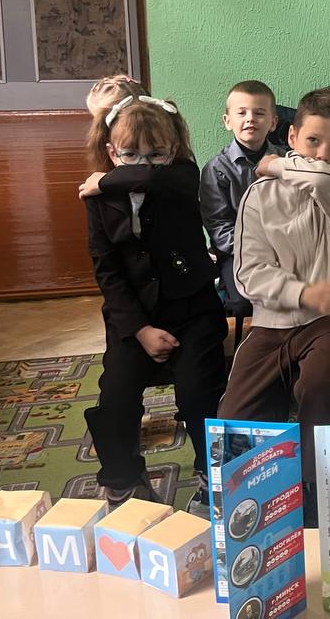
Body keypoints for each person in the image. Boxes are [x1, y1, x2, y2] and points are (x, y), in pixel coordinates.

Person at [216, 89, 330, 518]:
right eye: (313, 141)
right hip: (274, 319)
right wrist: (301, 292)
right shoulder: (259, 196)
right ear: (292, 136)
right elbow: (249, 274)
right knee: (236, 410)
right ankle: (253, 499)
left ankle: (321, 490)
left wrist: (275, 163)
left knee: (316, 387)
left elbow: (319, 178)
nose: (323, 154)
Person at [79, 94, 226, 513]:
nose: (144, 163)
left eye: (156, 154)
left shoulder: (180, 178)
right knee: (115, 396)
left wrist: (108, 179)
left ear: (173, 151)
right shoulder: (98, 200)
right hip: (134, 318)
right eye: (130, 155)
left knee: (199, 392)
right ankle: (124, 480)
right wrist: (141, 330)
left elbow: (161, 178)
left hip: (192, 311)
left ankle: (212, 473)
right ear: (112, 152)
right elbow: (107, 270)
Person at [200, 80, 284, 318]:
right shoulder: (217, 169)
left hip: (284, 248)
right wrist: (256, 252)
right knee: (243, 304)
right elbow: (218, 225)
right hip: (237, 253)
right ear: (227, 121)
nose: (250, 119)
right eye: (242, 113)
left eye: (259, 113)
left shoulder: (287, 162)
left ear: (273, 122)